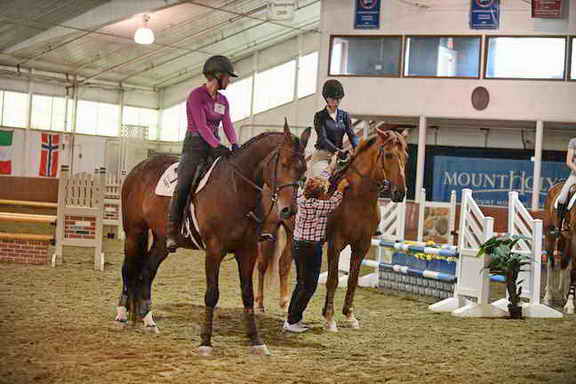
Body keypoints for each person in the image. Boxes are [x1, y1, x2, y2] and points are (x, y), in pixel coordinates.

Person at [167, 55, 240, 253]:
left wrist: (234, 144)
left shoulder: (223, 100)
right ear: (218, 76)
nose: (229, 81)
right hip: (195, 146)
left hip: (213, 144)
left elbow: (227, 124)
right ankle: (172, 231)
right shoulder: (196, 96)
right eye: (228, 77)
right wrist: (216, 145)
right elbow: (200, 125)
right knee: (184, 184)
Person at [283, 176, 350, 333]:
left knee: (301, 284)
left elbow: (302, 188)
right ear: (319, 194)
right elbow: (333, 203)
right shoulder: (317, 205)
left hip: (299, 246)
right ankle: (292, 320)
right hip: (311, 249)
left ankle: (293, 319)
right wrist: (341, 188)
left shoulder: (300, 197)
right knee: (308, 286)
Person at [310, 79, 359, 179]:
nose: (336, 102)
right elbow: (323, 139)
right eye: (333, 99)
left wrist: (358, 147)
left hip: (340, 158)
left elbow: (352, 135)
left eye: (338, 99)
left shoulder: (345, 115)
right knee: (323, 179)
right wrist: (338, 151)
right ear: (326, 98)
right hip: (323, 156)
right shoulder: (319, 116)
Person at [556, 137, 576, 230]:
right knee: (562, 197)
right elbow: (569, 162)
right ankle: (560, 224)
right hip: (575, 175)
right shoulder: (573, 142)